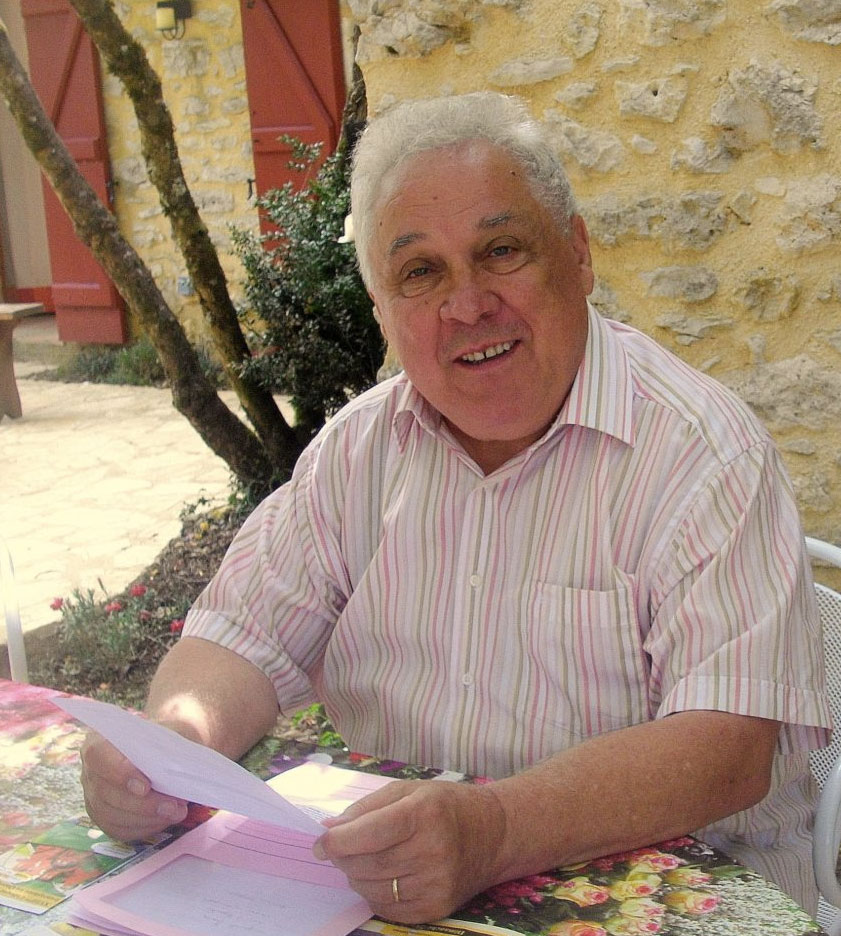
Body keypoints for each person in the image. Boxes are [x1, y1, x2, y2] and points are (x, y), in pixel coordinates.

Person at [81, 91, 831, 924]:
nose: (467, 304)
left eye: (500, 251)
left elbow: (726, 749)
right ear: (382, 310)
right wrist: (169, 746)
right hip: (400, 890)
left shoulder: (704, 453)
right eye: (420, 273)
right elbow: (240, 638)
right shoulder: (357, 452)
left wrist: (494, 829)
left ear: (578, 255)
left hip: (685, 900)